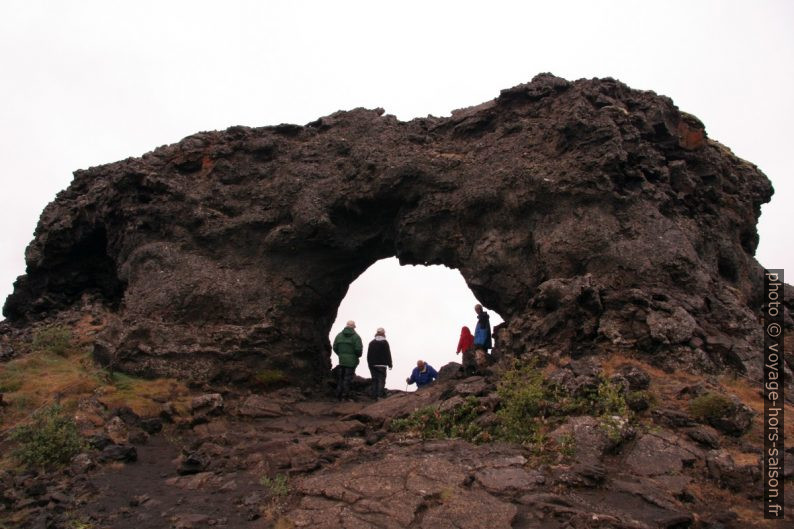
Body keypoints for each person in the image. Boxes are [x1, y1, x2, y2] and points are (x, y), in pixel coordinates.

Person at [332, 320, 363, 401]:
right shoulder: (356, 337)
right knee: (347, 379)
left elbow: (335, 347)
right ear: (353, 327)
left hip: (341, 360)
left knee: (341, 378)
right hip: (352, 362)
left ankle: (337, 396)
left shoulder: (339, 335)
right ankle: (345, 397)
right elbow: (358, 350)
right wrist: (357, 356)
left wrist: (341, 354)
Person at [366, 327, 392, 400]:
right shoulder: (385, 342)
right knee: (381, 380)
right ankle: (379, 396)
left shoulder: (372, 342)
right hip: (382, 365)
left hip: (372, 364)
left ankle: (373, 396)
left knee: (374, 380)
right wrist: (390, 364)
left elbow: (368, 355)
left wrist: (369, 363)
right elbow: (388, 354)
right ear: (383, 333)